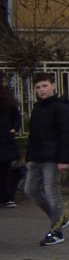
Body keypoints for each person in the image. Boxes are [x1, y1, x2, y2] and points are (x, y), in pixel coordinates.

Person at [25, 73, 69, 246]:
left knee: (52, 192)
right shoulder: (37, 108)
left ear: (53, 86)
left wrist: (64, 159)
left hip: (53, 158)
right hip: (37, 157)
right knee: (30, 189)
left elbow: (67, 134)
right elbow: (32, 135)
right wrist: (29, 157)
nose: (41, 90)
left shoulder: (60, 107)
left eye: (44, 86)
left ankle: (57, 231)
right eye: (38, 87)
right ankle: (60, 218)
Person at [0, 77, 18, 208]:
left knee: (5, 170)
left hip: (4, 139)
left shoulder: (7, 97)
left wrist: (14, 129)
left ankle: (7, 198)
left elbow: (16, 115)